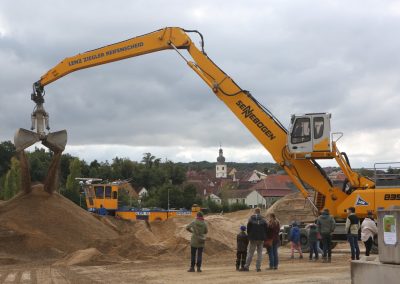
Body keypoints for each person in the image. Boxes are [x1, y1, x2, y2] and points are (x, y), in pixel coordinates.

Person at [242, 208, 268, 272]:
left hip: (253, 238)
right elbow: (266, 229)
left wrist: (250, 235)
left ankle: (246, 267)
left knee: (250, 253)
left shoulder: (251, 219)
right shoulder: (264, 220)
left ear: (255, 212)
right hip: (261, 239)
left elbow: (248, 229)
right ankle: (258, 268)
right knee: (260, 253)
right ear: (259, 212)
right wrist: (264, 236)